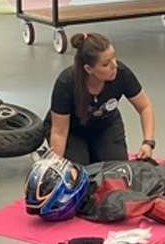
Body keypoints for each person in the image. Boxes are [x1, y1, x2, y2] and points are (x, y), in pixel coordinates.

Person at [48, 32, 156, 165]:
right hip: (72, 131)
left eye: (114, 57)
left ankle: (96, 151)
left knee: (117, 170)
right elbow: (59, 132)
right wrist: (56, 164)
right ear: (89, 69)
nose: (114, 65)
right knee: (77, 171)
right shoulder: (66, 83)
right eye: (105, 64)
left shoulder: (121, 73)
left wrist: (148, 142)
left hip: (105, 125)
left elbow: (145, 107)